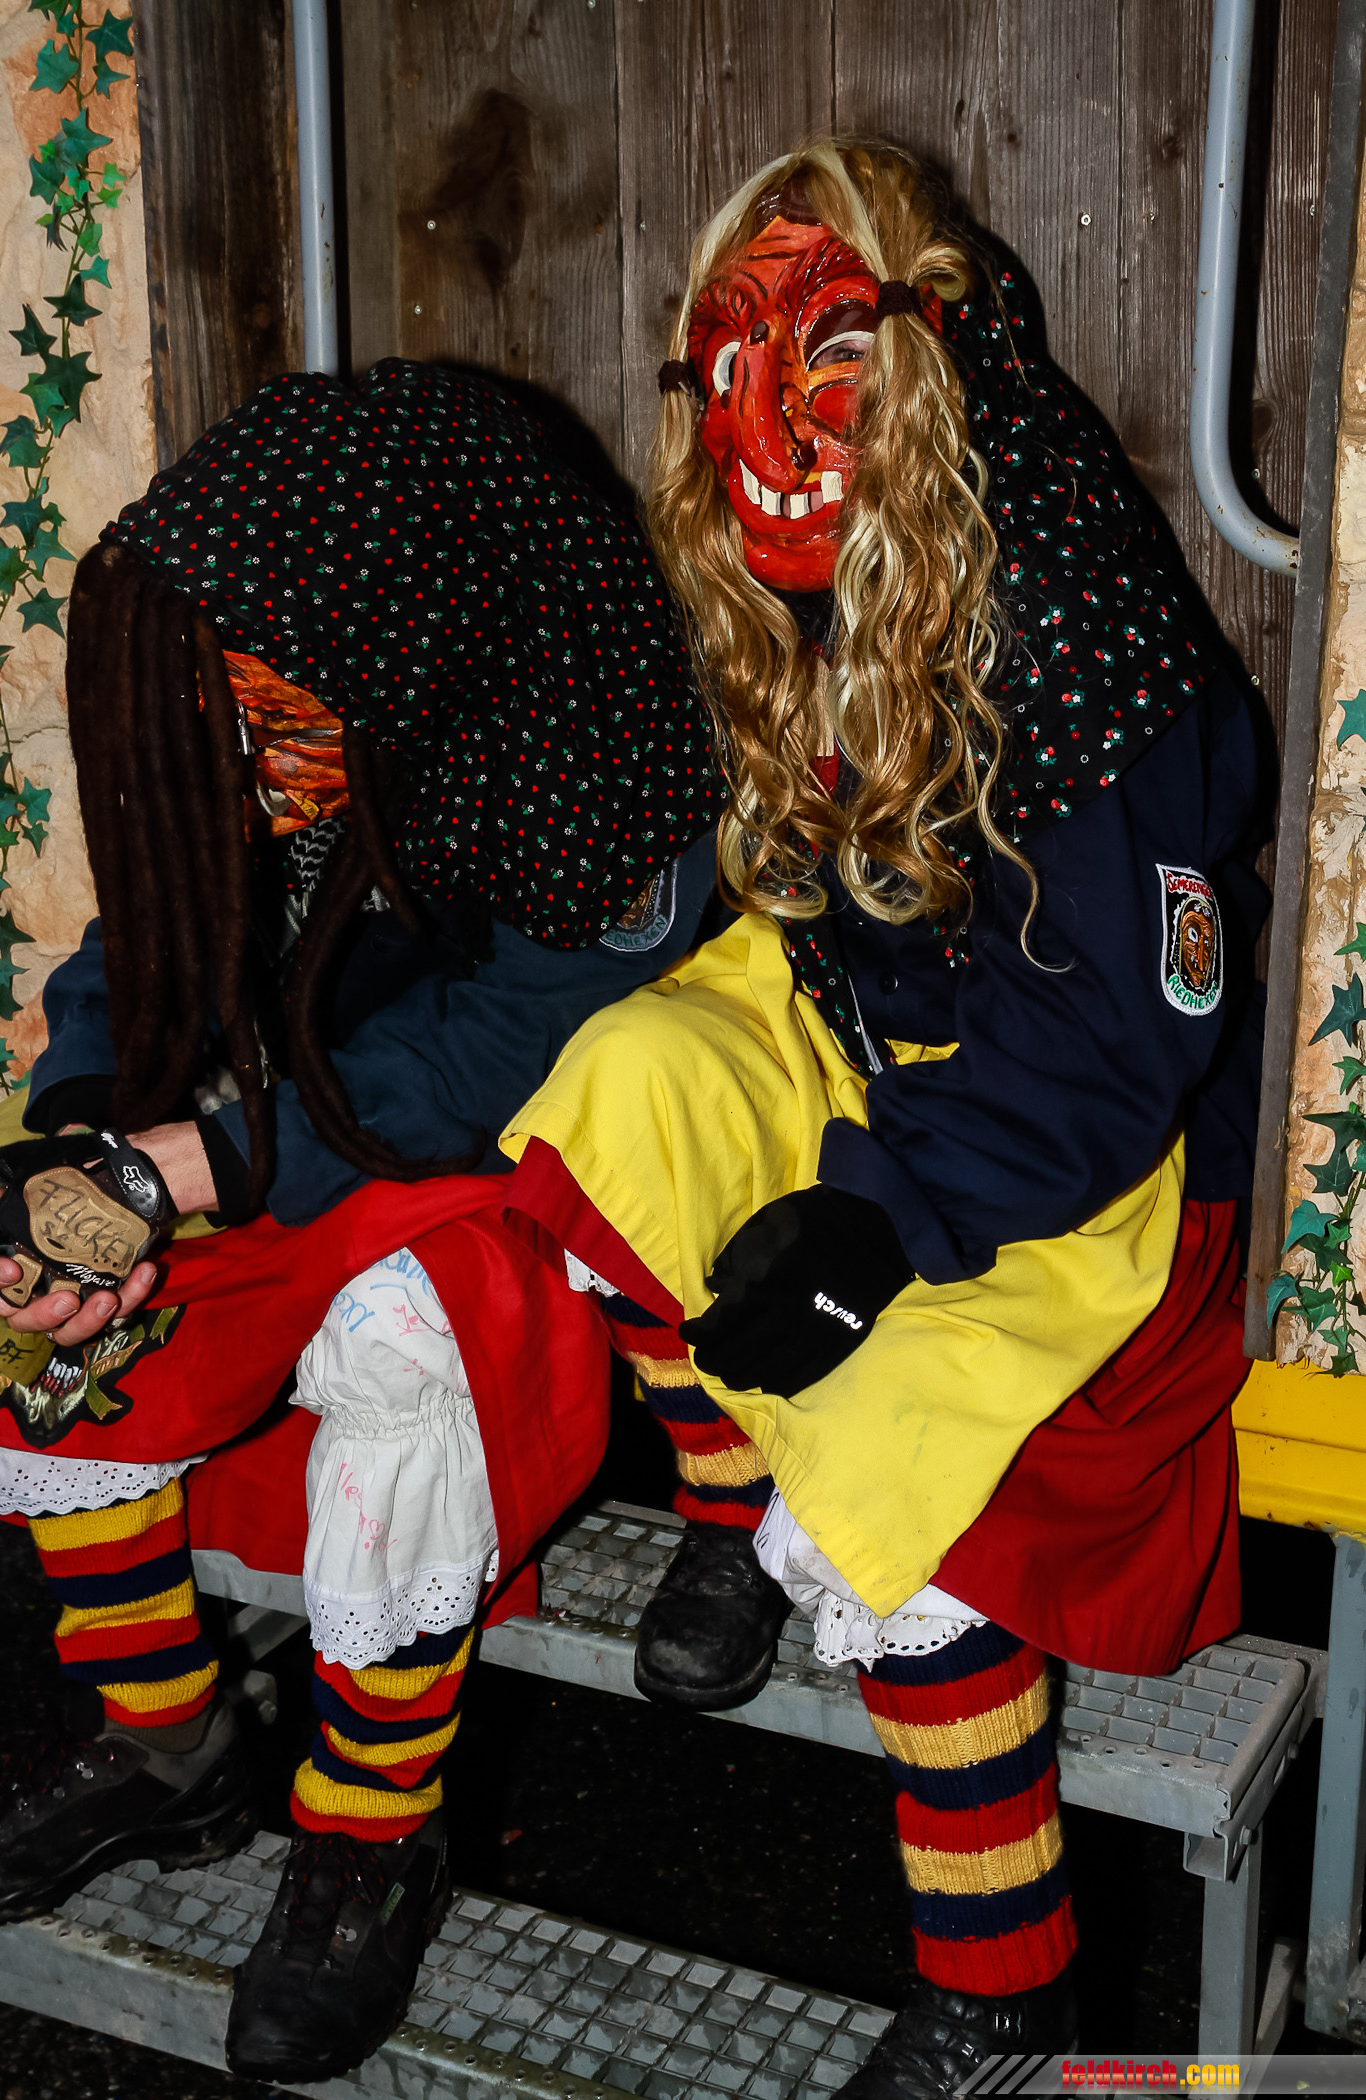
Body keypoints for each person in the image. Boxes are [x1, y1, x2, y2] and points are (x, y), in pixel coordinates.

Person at [500, 141, 1269, 2095]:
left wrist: (885, 1215)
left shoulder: (1068, 608)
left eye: (828, 348)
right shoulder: (774, 594)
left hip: (1070, 1143)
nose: (765, 413)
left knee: (898, 1440)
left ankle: (1002, 1986)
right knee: (619, 1088)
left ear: (928, 356)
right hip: (861, 1033)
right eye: (727, 356)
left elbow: (1125, 1037)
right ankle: (723, 1511)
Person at [0, 360, 723, 2083]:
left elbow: (495, 1057)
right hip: (286, 1118)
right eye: (221, 718)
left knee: (406, 1349)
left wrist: (200, 1168)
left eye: (276, 715)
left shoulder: (598, 738)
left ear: (411, 643)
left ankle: (374, 1830)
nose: (244, 761)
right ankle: (167, 1742)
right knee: (24, 1267)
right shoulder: (268, 715)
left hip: (506, 1157)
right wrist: (85, 1140)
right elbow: (150, 932)